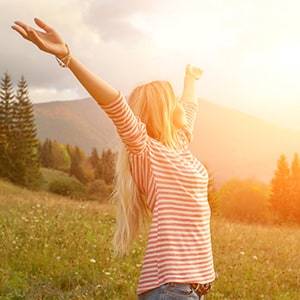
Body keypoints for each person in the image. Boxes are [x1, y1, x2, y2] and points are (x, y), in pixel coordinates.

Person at [11, 17, 216, 299]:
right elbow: (115, 103)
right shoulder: (146, 150)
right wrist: (67, 56)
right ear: (164, 108)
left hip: (193, 289)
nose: (181, 103)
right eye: (174, 97)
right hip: (172, 289)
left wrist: (190, 77)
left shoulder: (179, 144)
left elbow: (190, 105)